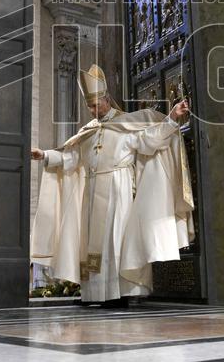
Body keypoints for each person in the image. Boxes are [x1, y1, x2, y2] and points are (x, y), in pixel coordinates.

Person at [30, 64, 194, 306]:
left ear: (107, 100)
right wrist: (44, 155)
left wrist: (172, 118)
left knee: (116, 240)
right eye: (90, 106)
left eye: (97, 104)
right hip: (93, 188)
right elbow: (71, 158)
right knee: (91, 244)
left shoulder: (127, 125)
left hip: (120, 190)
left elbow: (150, 139)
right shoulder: (88, 131)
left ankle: (119, 293)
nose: (94, 110)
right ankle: (94, 293)